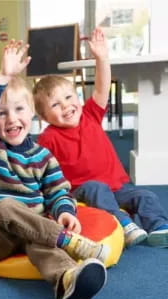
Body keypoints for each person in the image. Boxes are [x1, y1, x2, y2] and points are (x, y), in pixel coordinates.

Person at [0, 39, 110, 299]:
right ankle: (69, 242)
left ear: (33, 113)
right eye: (1, 114)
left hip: (32, 230)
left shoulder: (43, 156)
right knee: (6, 206)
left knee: (42, 244)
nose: (11, 119)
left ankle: (67, 280)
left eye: (19, 109)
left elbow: (58, 191)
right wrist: (3, 76)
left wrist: (65, 211)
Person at [35, 27, 168, 248]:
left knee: (146, 196)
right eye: (56, 105)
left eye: (69, 97)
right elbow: (41, 170)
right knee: (97, 189)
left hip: (118, 186)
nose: (66, 105)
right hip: (83, 191)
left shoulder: (90, 114)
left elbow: (101, 87)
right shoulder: (48, 138)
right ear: (43, 116)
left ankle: (159, 227)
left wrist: (102, 58)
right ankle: (123, 223)